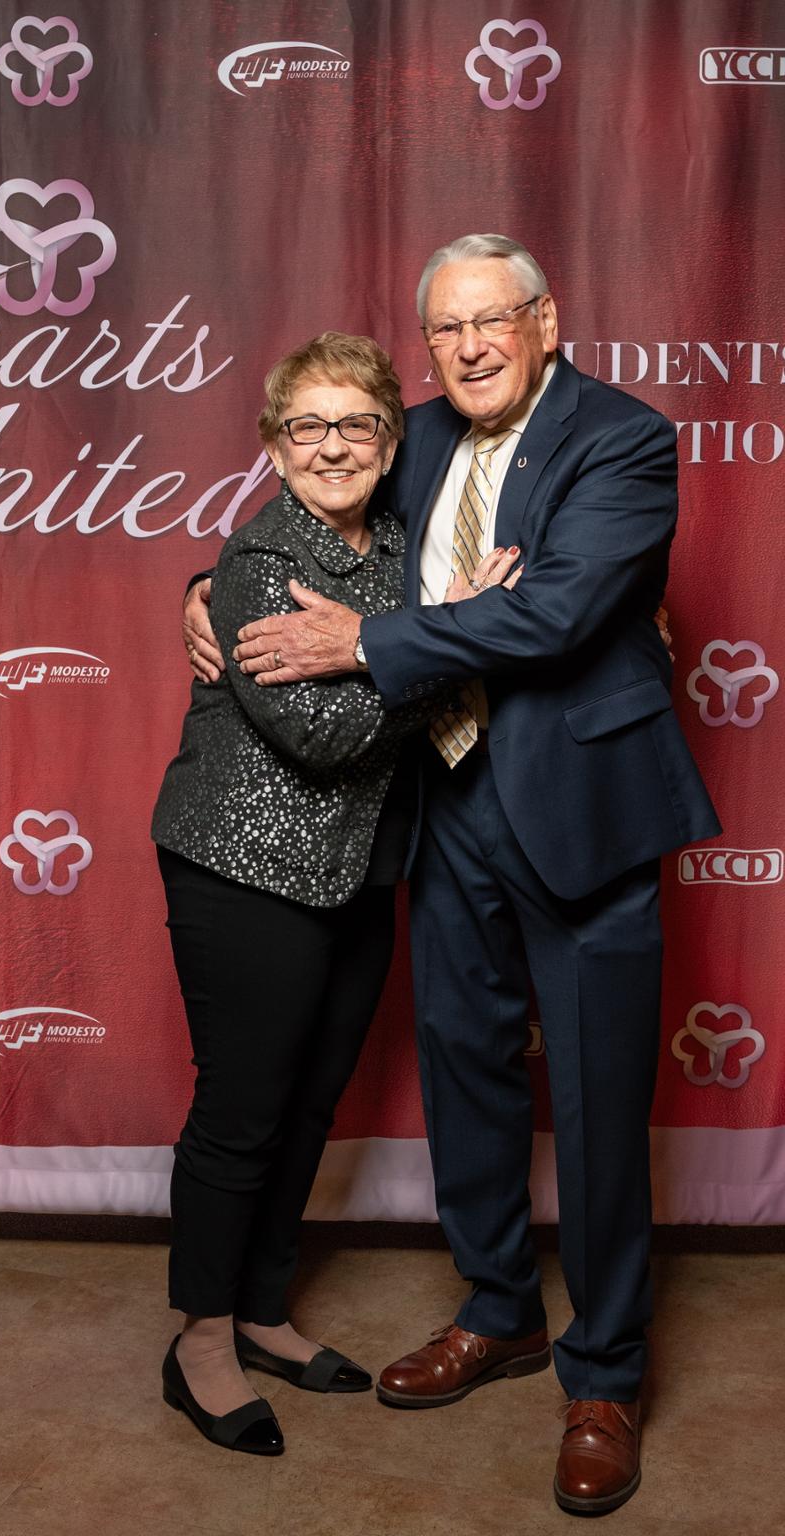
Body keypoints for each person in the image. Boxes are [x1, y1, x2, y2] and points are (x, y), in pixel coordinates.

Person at [186, 236, 720, 1512]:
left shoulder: (624, 439)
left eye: (493, 321)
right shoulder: (413, 436)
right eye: (446, 330)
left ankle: (603, 1371)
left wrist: (371, 637)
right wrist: (207, 581)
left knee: (593, 1099)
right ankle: (497, 1310)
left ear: (546, 321)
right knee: (467, 1068)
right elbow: (307, 517)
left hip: (579, 801)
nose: (470, 347)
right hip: (444, 793)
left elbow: (558, 614)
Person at [153, 329, 519, 1458]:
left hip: (359, 869)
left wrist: (422, 633)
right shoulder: (262, 564)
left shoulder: (405, 542)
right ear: (272, 445)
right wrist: (452, 646)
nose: (331, 446)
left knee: (311, 1102)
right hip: (242, 864)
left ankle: (262, 1307)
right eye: (306, 425)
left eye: (356, 423)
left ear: (389, 440)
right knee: (244, 1109)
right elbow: (323, 733)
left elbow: (394, 661)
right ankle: (198, 1341)